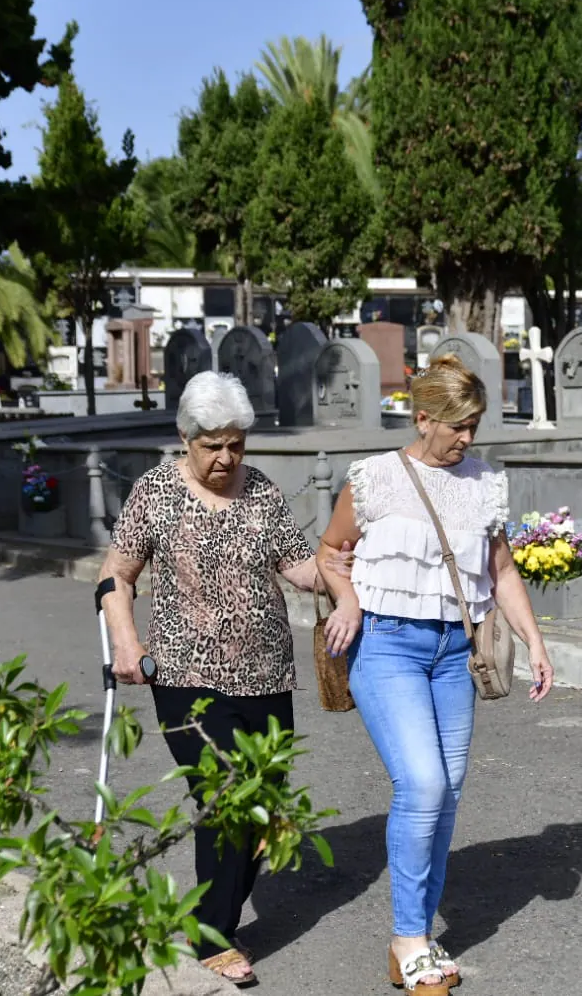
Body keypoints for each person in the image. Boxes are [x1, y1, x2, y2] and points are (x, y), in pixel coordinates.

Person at [317, 354, 555, 995]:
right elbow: (331, 551)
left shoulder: (484, 484)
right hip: (388, 647)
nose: (467, 439)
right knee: (421, 784)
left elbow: (501, 572)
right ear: (423, 418)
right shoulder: (373, 480)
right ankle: (409, 938)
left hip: (457, 653)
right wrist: (346, 599)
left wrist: (535, 640)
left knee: (446, 792)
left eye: (475, 426)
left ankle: (415, 936)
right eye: (457, 427)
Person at [98, 371, 345, 988]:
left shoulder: (259, 491)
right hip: (186, 676)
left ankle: (215, 915)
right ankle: (213, 933)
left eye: (236, 443)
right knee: (225, 799)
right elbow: (116, 575)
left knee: (262, 809)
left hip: (266, 676)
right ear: (186, 438)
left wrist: (346, 559)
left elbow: (300, 568)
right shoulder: (154, 492)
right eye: (212, 445)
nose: (226, 457)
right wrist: (127, 642)